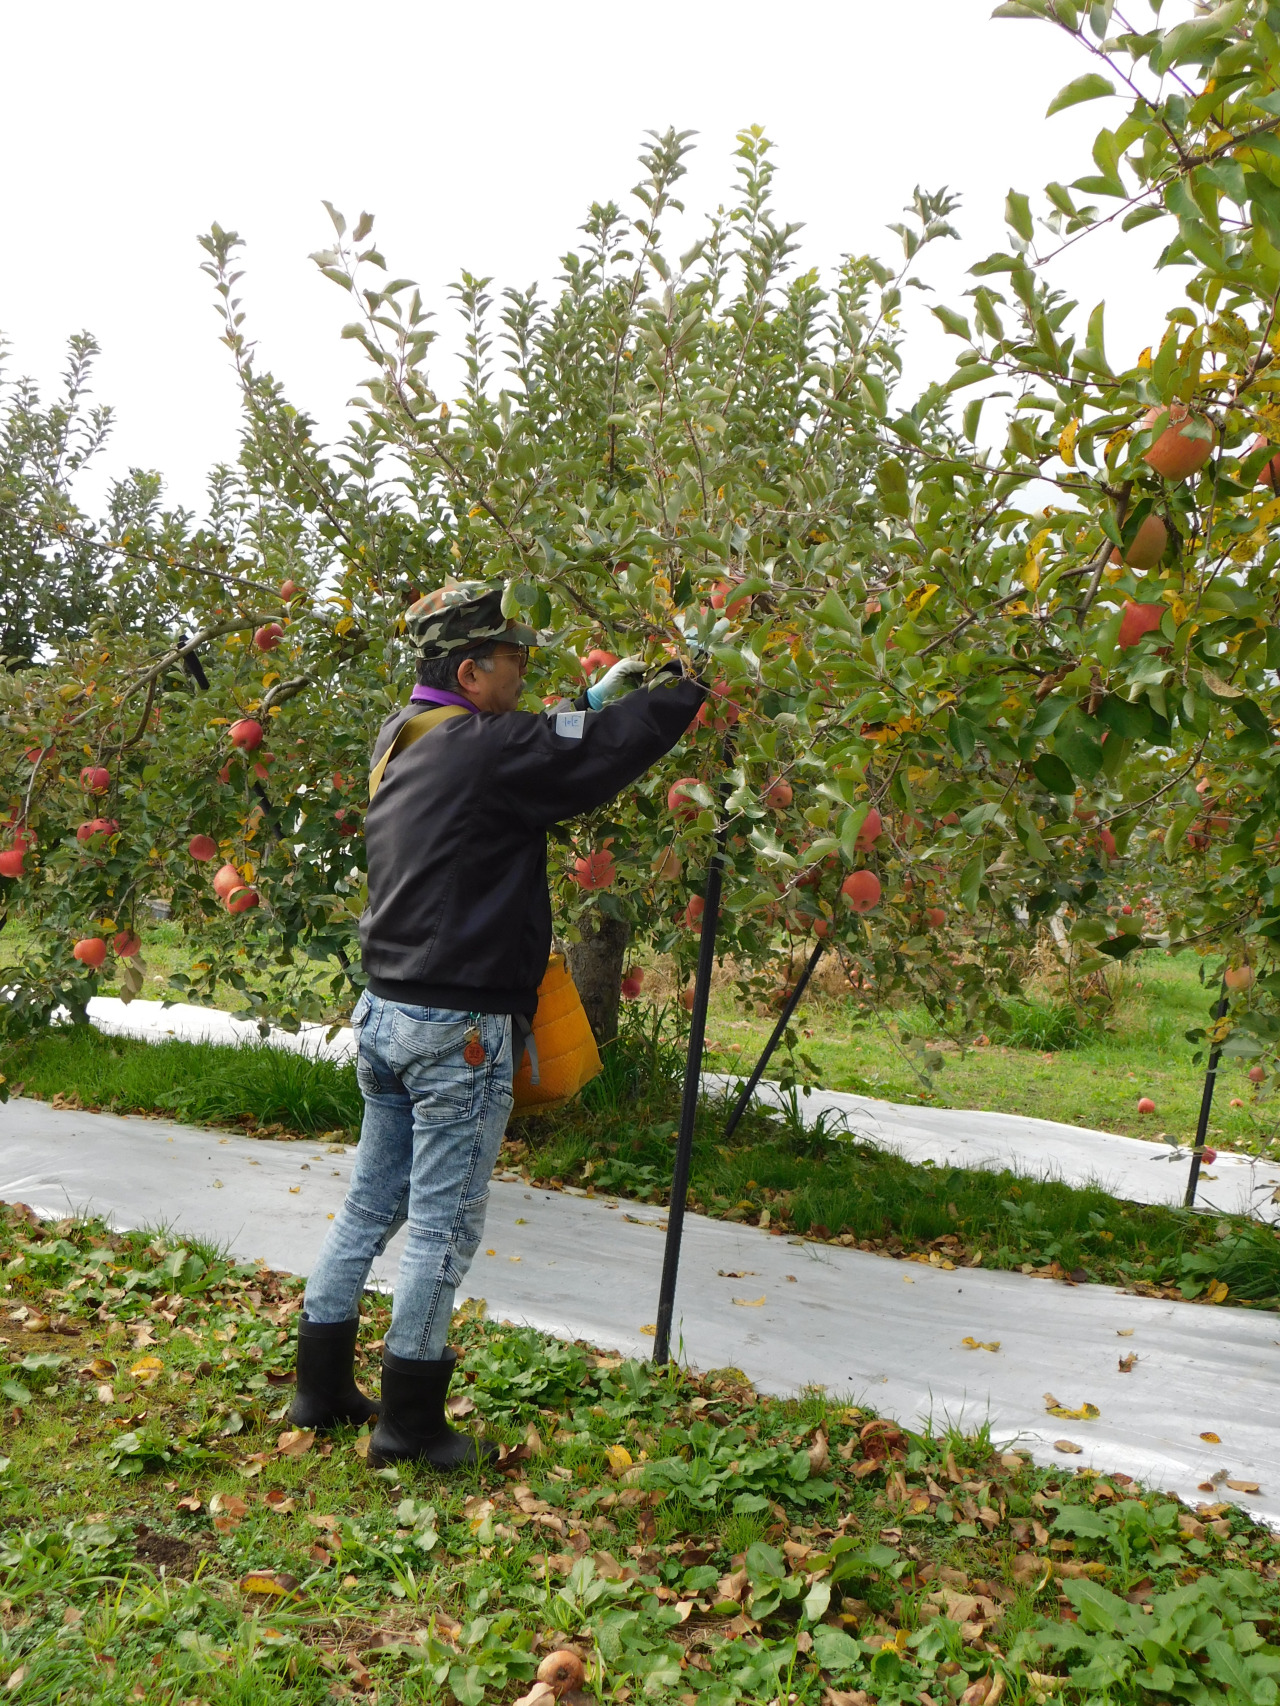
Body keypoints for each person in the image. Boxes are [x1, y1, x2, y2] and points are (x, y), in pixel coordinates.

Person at [288, 579, 705, 1469]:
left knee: (370, 1204)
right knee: (444, 1222)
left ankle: (318, 1387)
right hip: (456, 1026)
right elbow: (589, 757)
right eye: (514, 663)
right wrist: (684, 688)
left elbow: (542, 737)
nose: (524, 677)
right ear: (473, 671)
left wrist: (594, 697)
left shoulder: (406, 734)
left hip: (388, 1011)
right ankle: (409, 1422)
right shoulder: (483, 748)